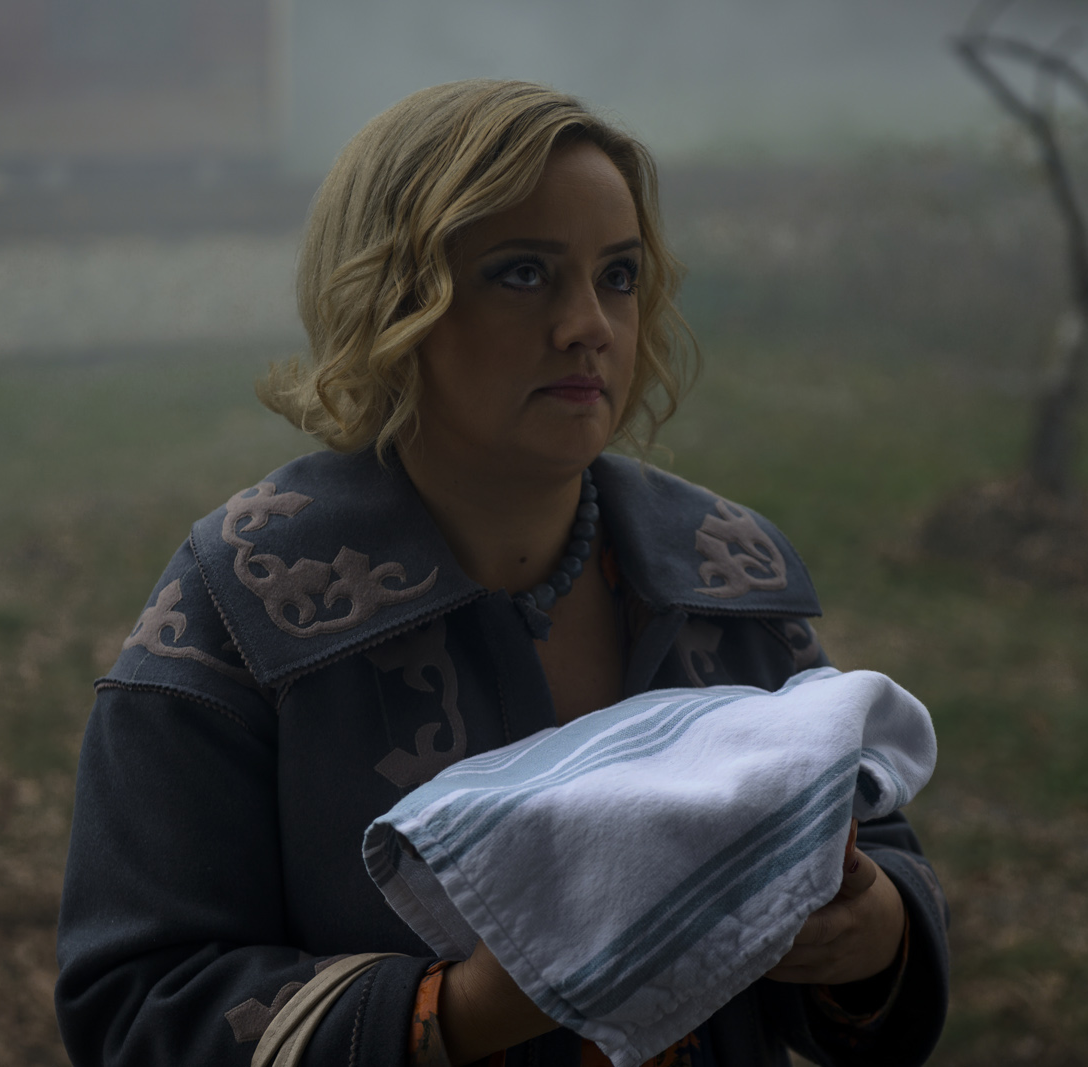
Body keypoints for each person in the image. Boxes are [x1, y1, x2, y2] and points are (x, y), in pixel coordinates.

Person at [55, 79, 949, 1067]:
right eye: (523, 273)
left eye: (618, 275)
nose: (588, 324)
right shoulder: (239, 608)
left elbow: (877, 858)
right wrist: (467, 1009)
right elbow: (137, 1006)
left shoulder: (727, 575)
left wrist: (874, 930)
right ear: (391, 298)